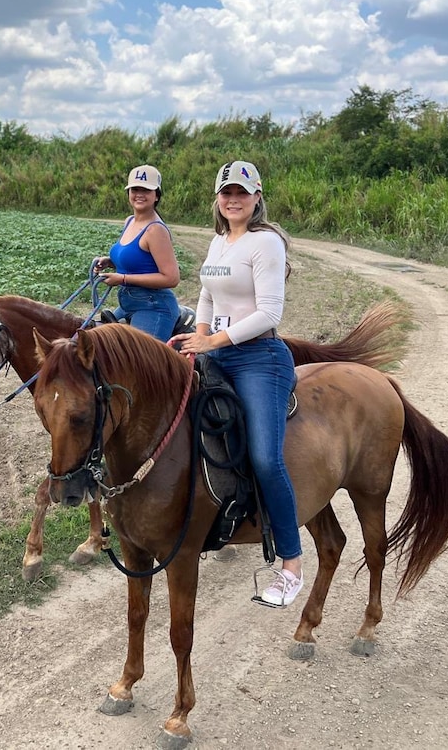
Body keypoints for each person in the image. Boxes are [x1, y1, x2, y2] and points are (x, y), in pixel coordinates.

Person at [167, 160, 302, 607]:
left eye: (241, 193)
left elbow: (269, 314)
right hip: (218, 350)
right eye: (226, 192)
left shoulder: (265, 244)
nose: (233, 199)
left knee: (265, 457)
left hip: (260, 358)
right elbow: (207, 294)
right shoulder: (219, 241)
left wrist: (212, 341)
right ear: (218, 199)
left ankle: (291, 566)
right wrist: (198, 336)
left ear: (257, 197)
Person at [92, 164, 181, 342]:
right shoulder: (130, 221)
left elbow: (171, 278)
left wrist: (123, 279)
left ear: (156, 195)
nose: (139, 194)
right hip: (129, 303)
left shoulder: (155, 230)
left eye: (146, 190)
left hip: (153, 307)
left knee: (138, 366)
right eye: (135, 189)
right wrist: (110, 261)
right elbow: (139, 262)